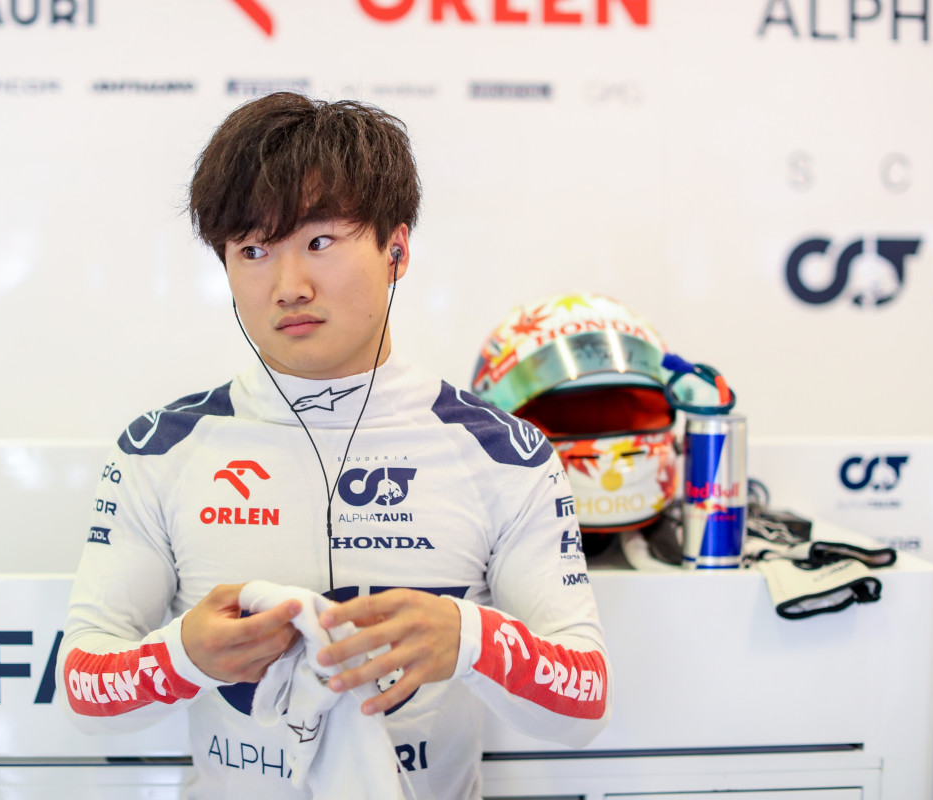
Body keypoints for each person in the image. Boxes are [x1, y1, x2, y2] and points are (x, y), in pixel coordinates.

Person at [58, 91, 613, 799]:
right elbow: (81, 690)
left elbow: (584, 703)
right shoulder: (159, 451)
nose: (288, 286)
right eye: (253, 250)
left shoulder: (503, 454)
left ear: (396, 250)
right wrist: (182, 657)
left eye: (320, 242)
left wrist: (469, 641)